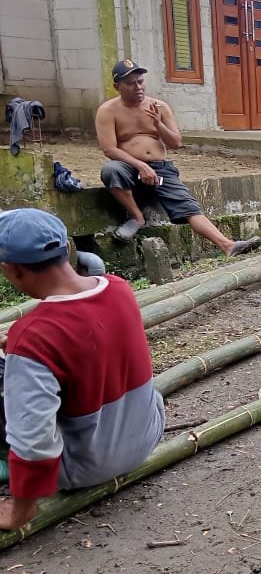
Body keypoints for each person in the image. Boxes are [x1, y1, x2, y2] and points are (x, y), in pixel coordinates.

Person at [0, 208, 165, 530]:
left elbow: (33, 440)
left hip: (85, 465)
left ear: (12, 271)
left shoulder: (33, 336)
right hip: (145, 437)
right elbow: (84, 341)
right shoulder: (117, 287)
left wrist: (21, 509)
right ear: (66, 250)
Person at [95, 59, 261, 256]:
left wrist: (158, 125)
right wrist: (140, 165)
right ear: (117, 86)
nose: (138, 87)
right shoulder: (108, 111)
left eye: (140, 81)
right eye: (131, 83)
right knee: (110, 170)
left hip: (161, 169)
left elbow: (176, 143)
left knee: (188, 206)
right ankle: (137, 217)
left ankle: (228, 245)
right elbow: (109, 149)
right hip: (129, 168)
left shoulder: (160, 107)